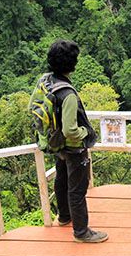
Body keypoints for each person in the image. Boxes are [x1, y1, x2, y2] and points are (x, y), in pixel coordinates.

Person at [46, 39, 107, 243]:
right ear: (72, 64)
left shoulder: (46, 82)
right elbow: (70, 129)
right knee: (77, 189)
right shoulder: (68, 94)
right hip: (73, 147)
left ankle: (64, 217)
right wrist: (84, 132)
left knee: (61, 180)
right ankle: (81, 232)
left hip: (57, 144)